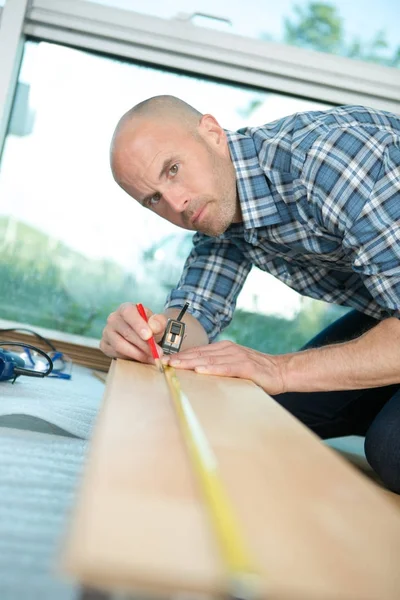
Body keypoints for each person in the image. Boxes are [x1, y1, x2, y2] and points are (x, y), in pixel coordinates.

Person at [102, 95, 400, 493]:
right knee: (262, 411)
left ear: (212, 133)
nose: (176, 203)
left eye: (172, 170)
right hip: (390, 308)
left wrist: (279, 369)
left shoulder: (329, 164)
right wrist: (153, 335)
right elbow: (197, 313)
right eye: (154, 198)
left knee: (390, 447)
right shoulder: (217, 208)